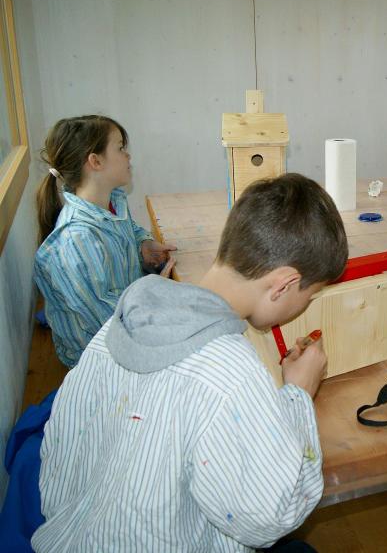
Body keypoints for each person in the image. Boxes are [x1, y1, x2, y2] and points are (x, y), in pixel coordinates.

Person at [32, 173, 349, 552]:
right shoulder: (233, 372)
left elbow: (57, 456)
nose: (306, 306)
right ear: (282, 285)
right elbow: (272, 515)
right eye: (310, 296)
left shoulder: (120, 322)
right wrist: (297, 393)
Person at [33, 115, 176, 367]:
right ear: (95, 161)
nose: (128, 155)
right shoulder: (77, 240)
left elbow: (128, 230)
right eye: (120, 148)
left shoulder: (112, 201)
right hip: (98, 355)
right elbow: (107, 318)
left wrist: (142, 243)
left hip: (129, 317)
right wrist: (154, 292)